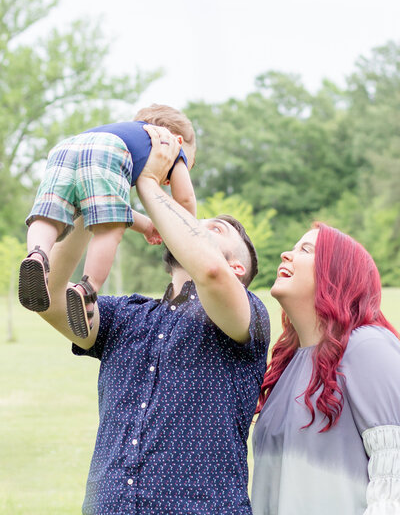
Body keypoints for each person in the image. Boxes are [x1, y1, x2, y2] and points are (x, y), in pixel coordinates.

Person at [37, 125, 270, 515]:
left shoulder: (247, 316)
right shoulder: (127, 315)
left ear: (237, 266)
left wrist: (147, 180)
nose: (190, 229)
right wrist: (92, 204)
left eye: (211, 229)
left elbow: (211, 272)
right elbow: (49, 301)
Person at [251, 222, 400, 515]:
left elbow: (393, 471)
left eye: (305, 249)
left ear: (336, 274)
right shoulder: (286, 366)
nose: (285, 254)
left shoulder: (367, 345)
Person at [18, 104, 197, 339]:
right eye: (189, 164)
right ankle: (87, 290)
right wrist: (189, 235)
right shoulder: (168, 144)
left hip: (64, 148)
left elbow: (111, 206)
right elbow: (184, 200)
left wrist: (147, 226)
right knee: (107, 231)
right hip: (110, 153)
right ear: (180, 140)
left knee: (49, 216)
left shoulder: (122, 132)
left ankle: (37, 256)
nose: (167, 182)